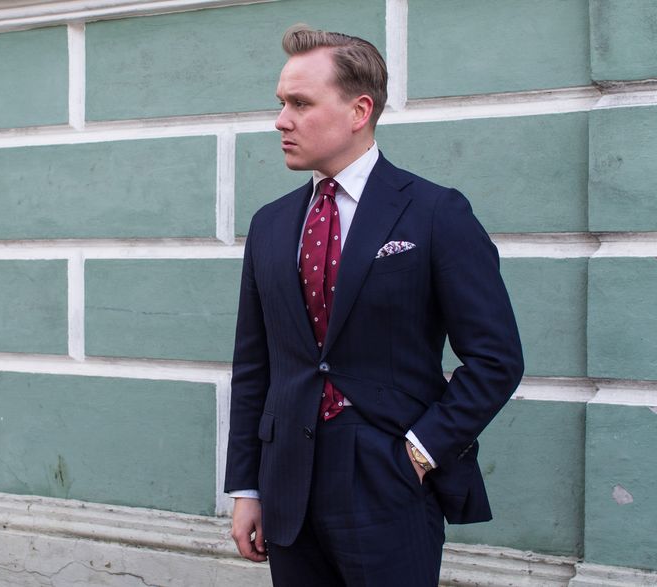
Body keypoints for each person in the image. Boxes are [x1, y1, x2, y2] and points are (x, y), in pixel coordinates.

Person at [224, 25, 524, 587]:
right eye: (281, 103)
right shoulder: (270, 224)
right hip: (288, 487)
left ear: (359, 109)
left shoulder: (435, 212)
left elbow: (496, 358)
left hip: (388, 486)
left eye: (300, 103)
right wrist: (247, 486)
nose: (280, 120)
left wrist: (418, 452)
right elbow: (256, 364)